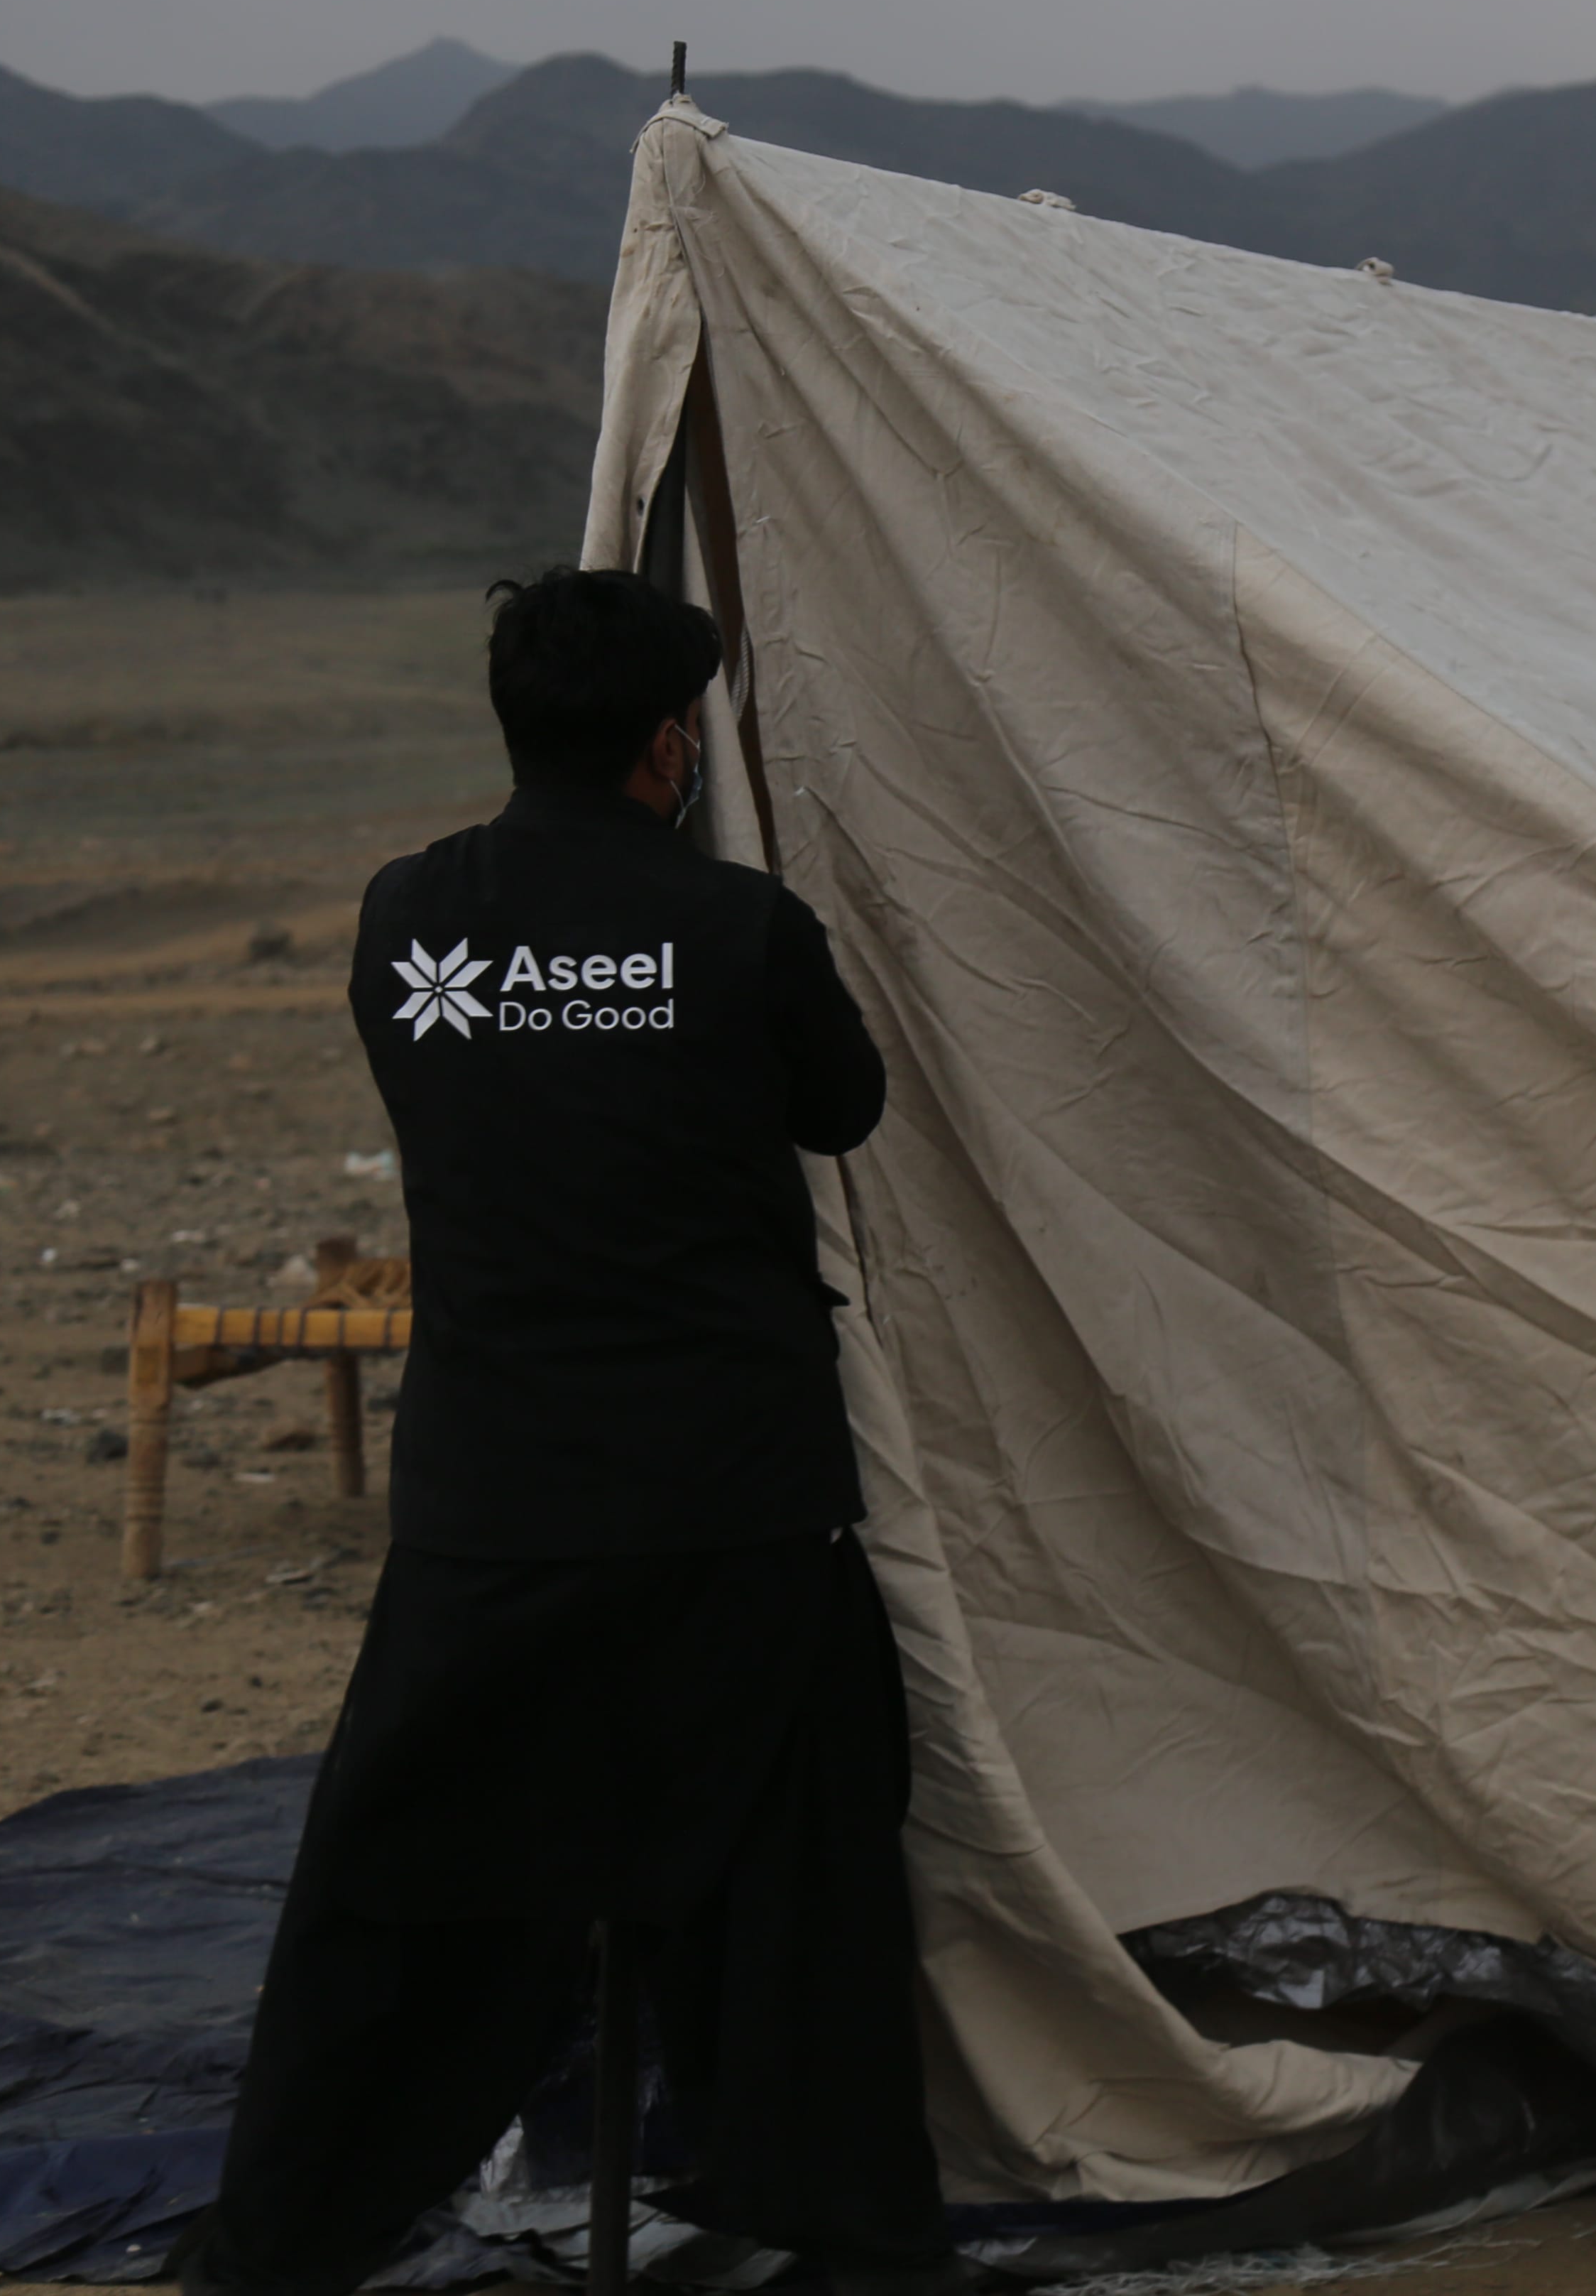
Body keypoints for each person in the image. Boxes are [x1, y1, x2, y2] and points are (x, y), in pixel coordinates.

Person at [177, 567, 958, 2296]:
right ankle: (852, 2240)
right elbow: (843, 1106)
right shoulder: (740, 928)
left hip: (497, 1502)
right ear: (673, 745)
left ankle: (284, 2243)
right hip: (729, 1498)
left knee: (401, 1901)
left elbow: (468, 1076)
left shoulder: (413, 917)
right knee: (794, 1891)